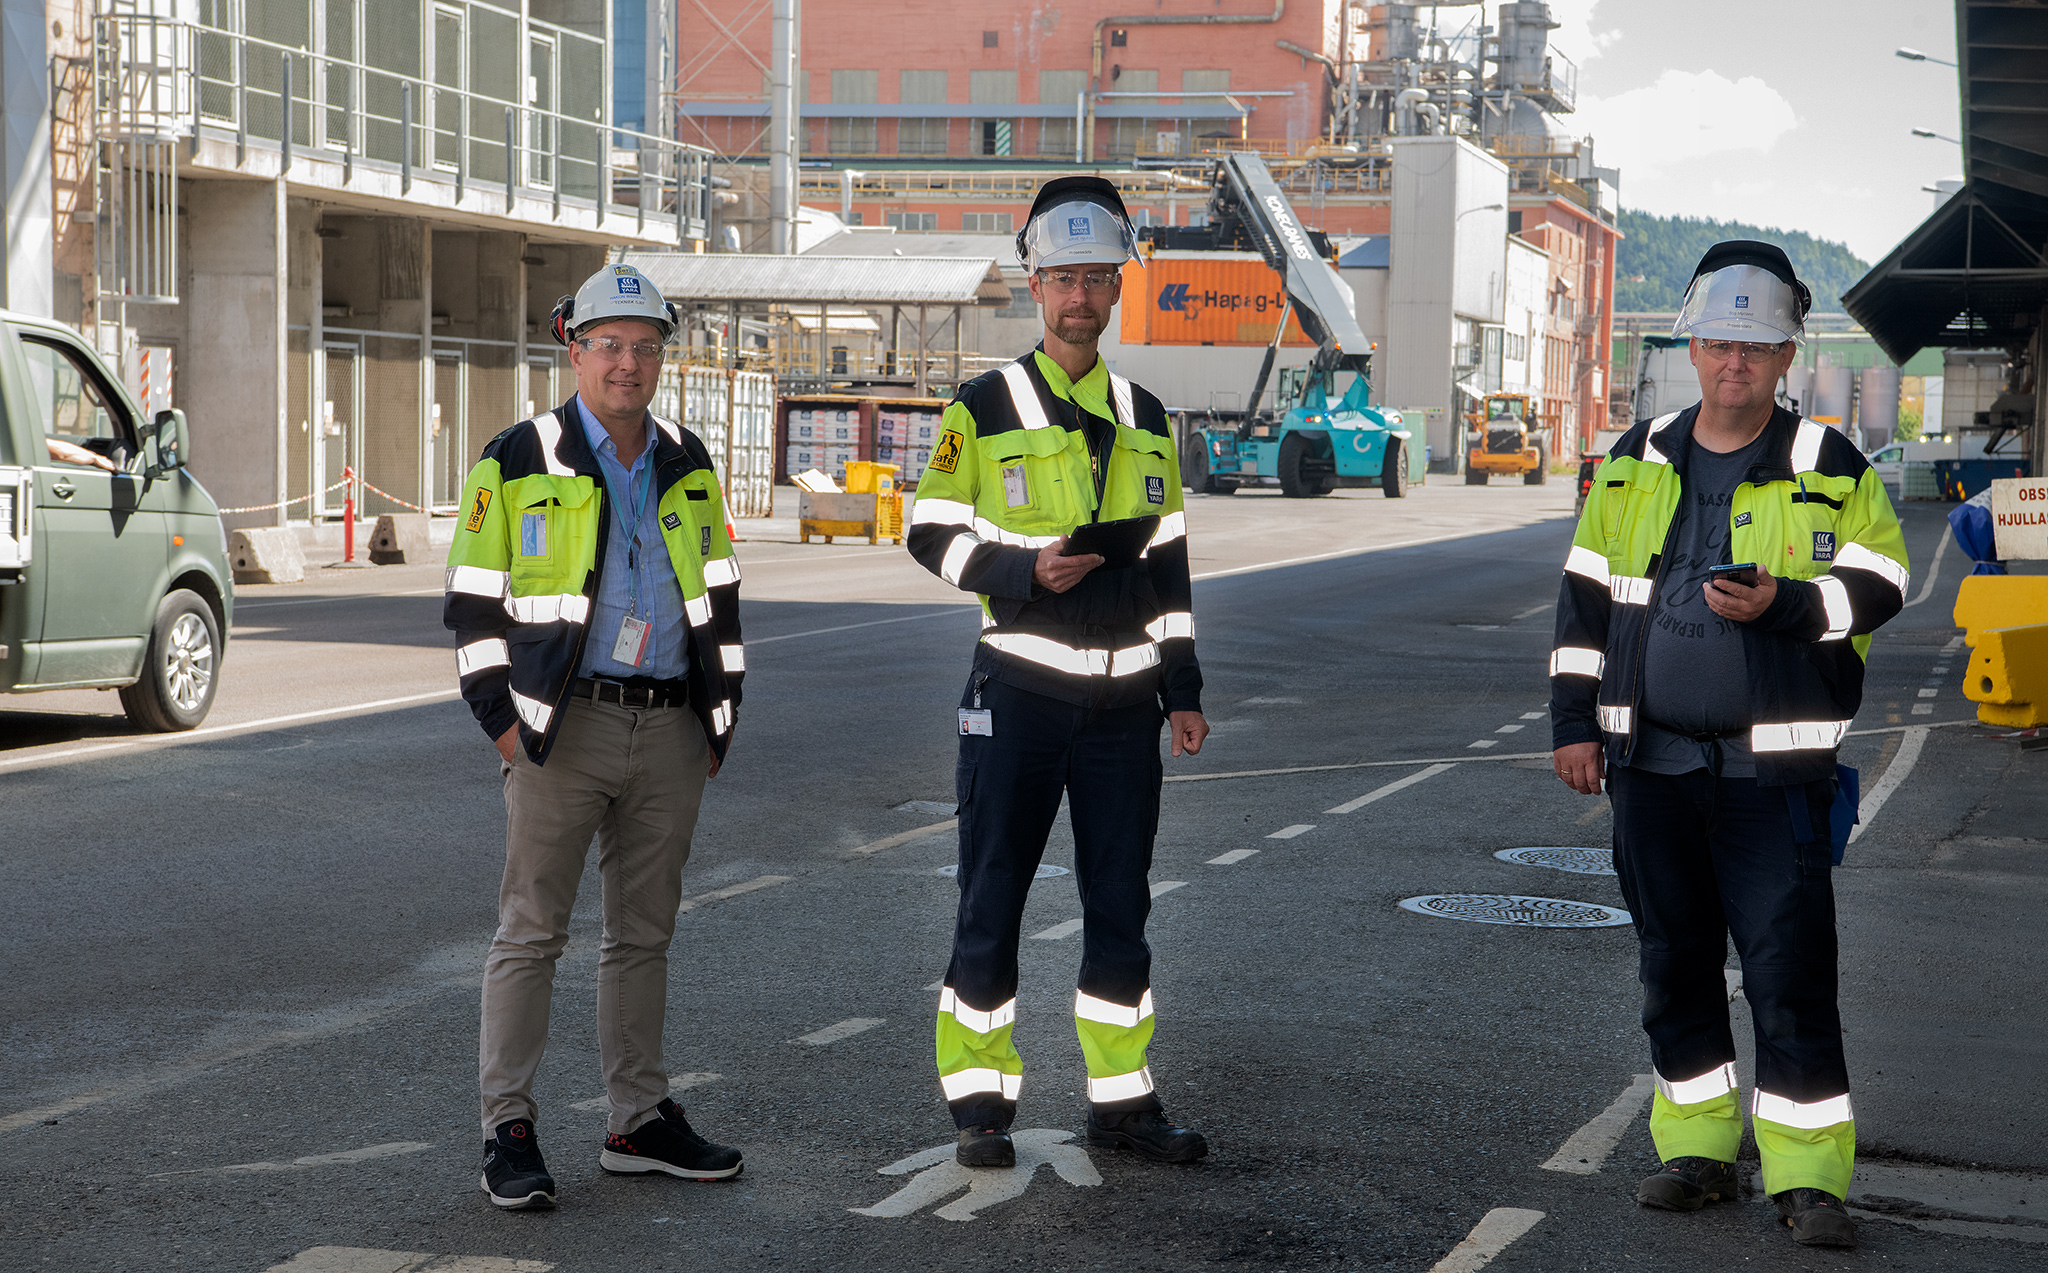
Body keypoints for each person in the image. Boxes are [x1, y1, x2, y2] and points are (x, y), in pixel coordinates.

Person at [1549, 241, 1910, 1249]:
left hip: (1772, 777)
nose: (1733, 364)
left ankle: (1805, 1177)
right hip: (1649, 767)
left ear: (1786, 355)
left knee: (1788, 970)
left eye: (1754, 348)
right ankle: (1696, 1149)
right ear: (1691, 347)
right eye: (1717, 344)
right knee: (1672, 965)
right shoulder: (1635, 456)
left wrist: (1789, 602)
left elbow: (1880, 582)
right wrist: (1572, 726)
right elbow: (1584, 601)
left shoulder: (1828, 464)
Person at [907, 176, 1211, 1169]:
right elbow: (928, 530)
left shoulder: (1144, 412)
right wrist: (1018, 569)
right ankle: (980, 1105)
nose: (1080, 295)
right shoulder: (982, 406)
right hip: (1020, 697)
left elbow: (1165, 558)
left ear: (1117, 284)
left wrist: (1183, 686)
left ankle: (1120, 1104)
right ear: (1033, 287)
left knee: (1119, 904)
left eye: (1096, 277)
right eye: (1062, 278)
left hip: (1125, 709)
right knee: (991, 893)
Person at [444, 263, 746, 1209]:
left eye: (646, 347)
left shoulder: (690, 459)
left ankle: (637, 1120)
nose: (628, 363)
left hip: (668, 728)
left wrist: (718, 716)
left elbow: (722, 592)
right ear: (574, 350)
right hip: (559, 731)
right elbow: (471, 606)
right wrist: (504, 725)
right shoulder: (518, 456)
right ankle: (509, 1127)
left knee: (644, 935)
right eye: (610, 345)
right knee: (531, 933)